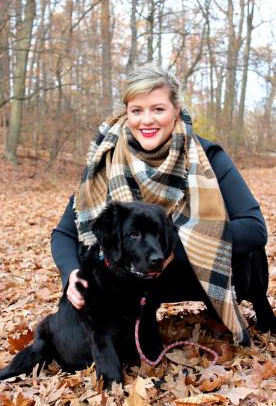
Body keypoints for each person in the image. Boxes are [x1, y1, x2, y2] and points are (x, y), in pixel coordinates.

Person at [51, 63, 268, 345]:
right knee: (93, 247)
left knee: (243, 247)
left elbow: (254, 228)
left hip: (192, 269)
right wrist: (71, 275)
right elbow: (64, 233)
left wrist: (174, 248)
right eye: (137, 111)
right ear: (126, 113)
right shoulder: (106, 160)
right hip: (136, 273)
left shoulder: (208, 156)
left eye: (158, 109)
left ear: (176, 111)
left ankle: (224, 308)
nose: (146, 121)